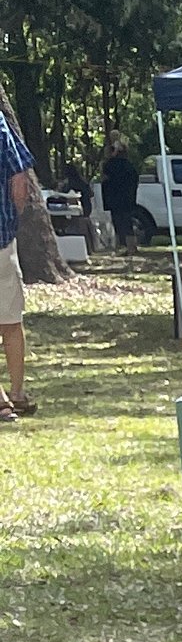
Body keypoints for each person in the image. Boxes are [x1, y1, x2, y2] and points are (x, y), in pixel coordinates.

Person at [0, 97, 38, 420]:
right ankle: (16, 392)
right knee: (11, 319)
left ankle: (1, 400)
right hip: (1, 240)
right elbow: (19, 178)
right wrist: (14, 218)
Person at [100, 134, 142, 251]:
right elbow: (135, 181)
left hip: (115, 199)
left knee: (118, 222)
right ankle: (131, 247)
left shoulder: (110, 165)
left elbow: (105, 178)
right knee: (127, 222)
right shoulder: (129, 166)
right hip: (128, 198)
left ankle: (121, 245)